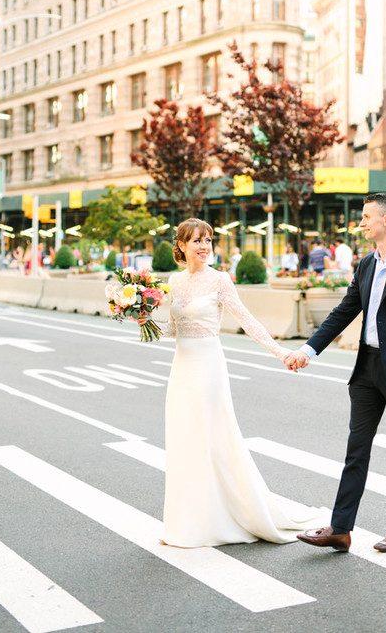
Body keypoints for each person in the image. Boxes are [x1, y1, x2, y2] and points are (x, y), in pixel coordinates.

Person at [139, 217, 320, 548]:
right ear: (180, 245)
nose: (205, 246)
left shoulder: (219, 280)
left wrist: (279, 351)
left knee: (212, 439)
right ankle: (189, 524)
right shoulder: (173, 282)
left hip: (208, 369)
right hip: (181, 368)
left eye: (208, 240)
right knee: (184, 441)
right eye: (197, 240)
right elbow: (173, 330)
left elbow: (247, 321)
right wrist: (145, 322)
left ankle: (225, 518)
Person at [283, 193, 386, 553]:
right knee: (356, 449)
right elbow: (343, 311)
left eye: (367, 217)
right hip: (366, 370)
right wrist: (307, 350)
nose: (362, 222)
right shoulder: (366, 265)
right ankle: (340, 527)